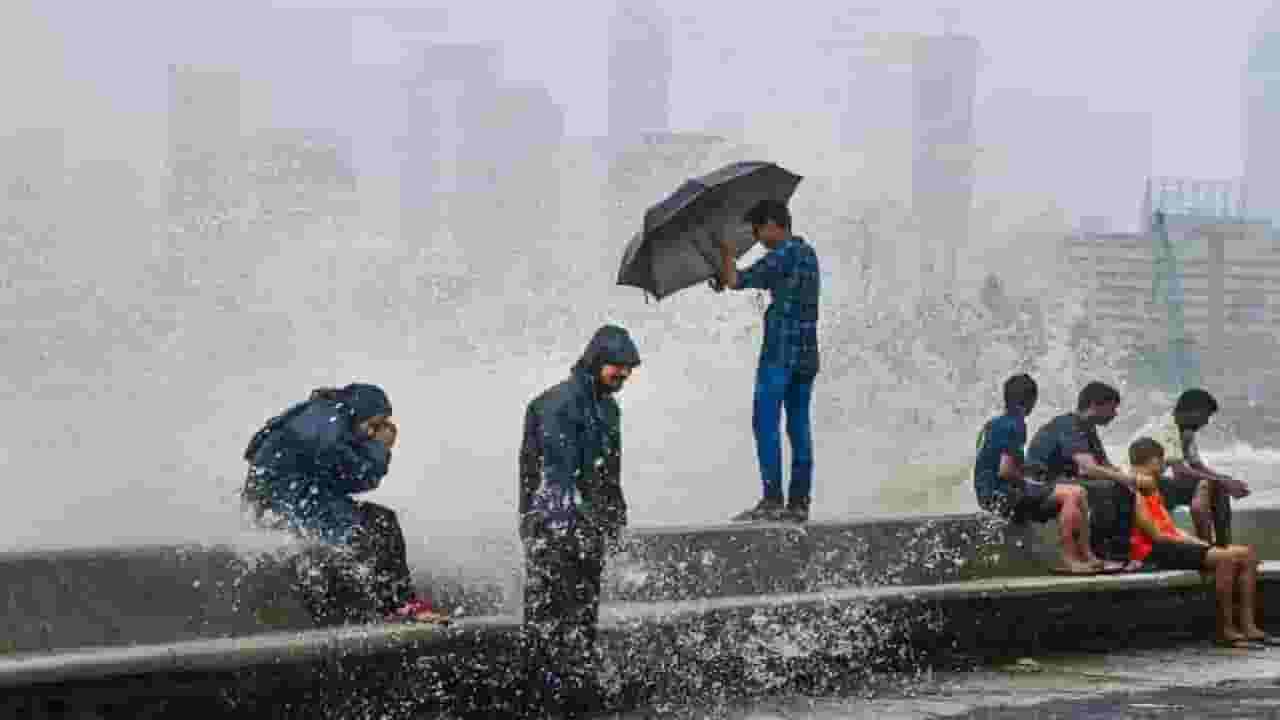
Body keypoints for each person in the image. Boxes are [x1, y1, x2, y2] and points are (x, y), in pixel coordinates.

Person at [242, 383, 442, 625]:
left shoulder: (322, 415)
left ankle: (349, 616)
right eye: (374, 424)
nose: (372, 433)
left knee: (346, 543)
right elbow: (353, 472)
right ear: (360, 411)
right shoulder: (328, 416)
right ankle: (399, 605)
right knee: (379, 523)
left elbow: (345, 478)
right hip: (287, 497)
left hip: (283, 498)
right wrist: (379, 447)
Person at [519, 324, 641, 717]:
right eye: (617, 367)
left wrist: (615, 518)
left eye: (629, 368)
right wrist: (570, 530)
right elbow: (558, 478)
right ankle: (544, 702)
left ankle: (576, 697)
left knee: (583, 619)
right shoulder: (558, 405)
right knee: (550, 620)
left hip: (587, 529)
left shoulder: (607, 407)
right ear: (596, 362)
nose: (623, 374)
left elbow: (610, 473)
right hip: (553, 529)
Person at [713, 199, 821, 523]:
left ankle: (773, 500)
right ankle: (799, 503)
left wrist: (727, 255)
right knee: (799, 427)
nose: (758, 238)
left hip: (779, 354)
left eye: (759, 230)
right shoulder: (806, 253)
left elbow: (738, 281)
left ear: (775, 224)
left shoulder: (784, 253)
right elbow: (755, 278)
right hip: (806, 356)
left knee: (765, 423)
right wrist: (729, 273)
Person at [1127, 437, 1277, 648]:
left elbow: (1169, 527)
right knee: (1226, 559)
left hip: (1169, 543)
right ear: (1153, 461)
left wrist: (1200, 543)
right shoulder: (1134, 487)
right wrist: (1199, 546)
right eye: (1162, 462)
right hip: (1153, 550)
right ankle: (1225, 631)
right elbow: (1156, 535)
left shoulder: (1152, 488)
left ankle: (1249, 626)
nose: (1164, 467)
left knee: (1247, 554)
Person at [974, 374, 1101, 574]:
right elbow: (1006, 471)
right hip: (1000, 496)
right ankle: (1070, 560)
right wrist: (1028, 483)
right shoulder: (1015, 424)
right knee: (1071, 495)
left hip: (986, 493)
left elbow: (991, 464)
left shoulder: (992, 424)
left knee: (1079, 492)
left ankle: (1088, 556)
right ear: (1031, 400)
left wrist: (1027, 472)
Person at [1026, 381, 1140, 572]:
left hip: (1065, 481)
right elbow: (1088, 468)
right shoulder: (1068, 425)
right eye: (1112, 408)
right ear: (1095, 405)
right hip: (1043, 484)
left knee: (1122, 488)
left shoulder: (1088, 428)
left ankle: (1121, 554)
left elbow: (1104, 465)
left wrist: (1129, 477)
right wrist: (1127, 480)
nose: (1115, 414)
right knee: (1110, 490)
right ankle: (1105, 555)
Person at [1131, 388, 1250, 547]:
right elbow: (1180, 471)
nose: (1206, 422)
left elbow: (1197, 465)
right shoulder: (1166, 428)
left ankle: (1223, 545)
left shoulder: (1185, 431)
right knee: (1208, 485)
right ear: (1193, 411)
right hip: (1138, 485)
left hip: (1158, 482)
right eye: (1205, 416)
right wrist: (1222, 482)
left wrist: (1226, 480)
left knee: (1217, 487)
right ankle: (1206, 548)